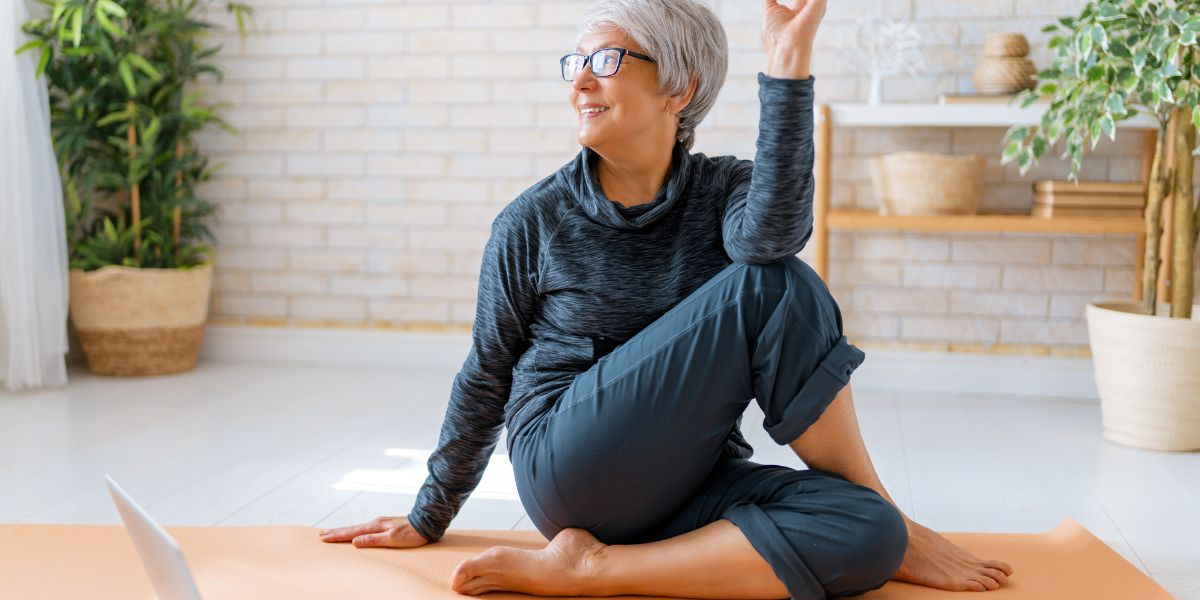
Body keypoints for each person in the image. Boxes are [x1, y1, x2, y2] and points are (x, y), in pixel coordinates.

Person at [319, 1, 1015, 597]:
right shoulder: (533, 222)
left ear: (678, 88)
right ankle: (895, 516)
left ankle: (599, 570)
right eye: (575, 63)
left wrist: (787, 61)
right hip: (570, 468)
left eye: (607, 61)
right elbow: (486, 372)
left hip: (689, 479)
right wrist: (428, 512)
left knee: (868, 534)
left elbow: (773, 235)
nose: (581, 82)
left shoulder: (724, 191)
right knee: (772, 285)